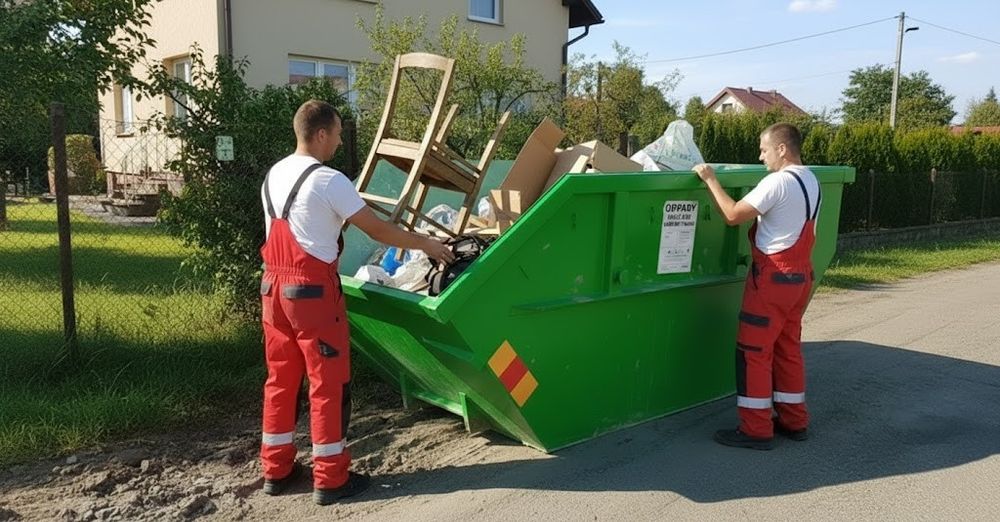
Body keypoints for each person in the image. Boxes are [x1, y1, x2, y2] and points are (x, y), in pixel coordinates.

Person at [258, 99, 454, 504]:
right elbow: (378, 231)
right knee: (327, 383)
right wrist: (426, 244)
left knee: (281, 380)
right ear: (321, 134)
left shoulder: (274, 174)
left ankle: (276, 471)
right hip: (312, 295)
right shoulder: (328, 180)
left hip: (272, 291)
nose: (339, 141)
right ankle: (331, 478)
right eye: (337, 133)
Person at [692, 122, 821, 451]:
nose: (761, 157)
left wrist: (710, 179)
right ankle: (794, 421)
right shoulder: (811, 179)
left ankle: (755, 429)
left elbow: (733, 215)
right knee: (787, 349)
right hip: (800, 278)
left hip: (772, 280)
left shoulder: (778, 182)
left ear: (782, 149)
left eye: (764, 150)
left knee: (754, 352)